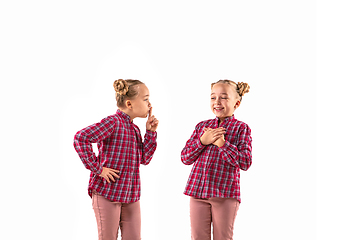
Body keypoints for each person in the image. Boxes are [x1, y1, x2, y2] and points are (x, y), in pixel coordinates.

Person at [74, 79, 159, 240]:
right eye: (146, 98)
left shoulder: (134, 129)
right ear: (129, 103)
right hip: (107, 193)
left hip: (130, 195)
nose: (150, 104)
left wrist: (150, 132)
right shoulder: (113, 123)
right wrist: (98, 169)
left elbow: (145, 158)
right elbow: (80, 137)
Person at [181, 80, 252, 240]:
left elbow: (245, 162)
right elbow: (185, 157)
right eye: (213, 98)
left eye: (224, 97)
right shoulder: (202, 127)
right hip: (198, 192)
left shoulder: (241, 128)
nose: (217, 102)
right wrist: (202, 142)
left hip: (225, 194)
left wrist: (223, 144)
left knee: (223, 237)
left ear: (237, 103)